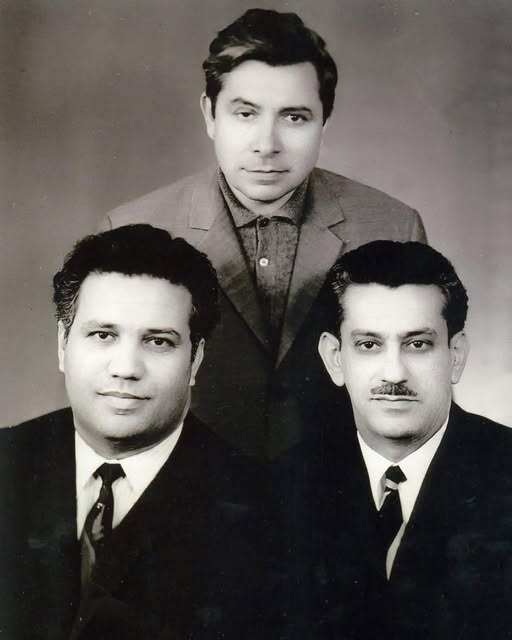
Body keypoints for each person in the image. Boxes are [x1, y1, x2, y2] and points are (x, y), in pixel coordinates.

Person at [102, 9, 427, 461]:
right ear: (210, 114)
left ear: (324, 122)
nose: (267, 144)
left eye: (294, 117)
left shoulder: (391, 225)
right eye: (245, 113)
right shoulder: (131, 229)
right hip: (187, 485)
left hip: (340, 488)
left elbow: (421, 388)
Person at [0, 224, 267, 640]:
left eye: (158, 342)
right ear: (62, 345)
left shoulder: (263, 509)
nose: (126, 368)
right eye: (103, 335)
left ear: (195, 360)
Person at [283, 240, 512, 639]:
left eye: (417, 344)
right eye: (369, 345)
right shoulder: (282, 488)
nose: (394, 373)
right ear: (335, 358)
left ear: (456, 356)